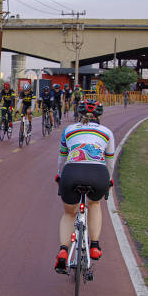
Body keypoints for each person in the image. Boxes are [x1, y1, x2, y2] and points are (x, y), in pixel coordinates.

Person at [54, 99, 115, 273]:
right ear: (100, 115)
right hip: (98, 174)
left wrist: (60, 176)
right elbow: (110, 161)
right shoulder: (107, 132)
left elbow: (62, 160)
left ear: (78, 113)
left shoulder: (69, 130)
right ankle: (95, 245)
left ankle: (64, 252)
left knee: (69, 212)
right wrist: (109, 180)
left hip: (71, 172)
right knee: (94, 203)